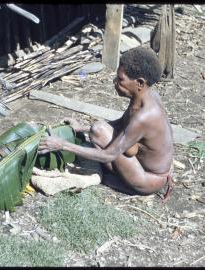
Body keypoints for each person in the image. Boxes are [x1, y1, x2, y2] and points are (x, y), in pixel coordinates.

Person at [38, 47, 174, 201]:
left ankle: (122, 182)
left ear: (140, 83)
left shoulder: (145, 116)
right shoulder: (145, 97)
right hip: (143, 166)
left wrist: (62, 145)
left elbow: (108, 155)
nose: (115, 82)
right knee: (98, 130)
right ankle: (116, 177)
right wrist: (80, 127)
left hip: (148, 179)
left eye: (121, 79)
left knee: (100, 141)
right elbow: (122, 124)